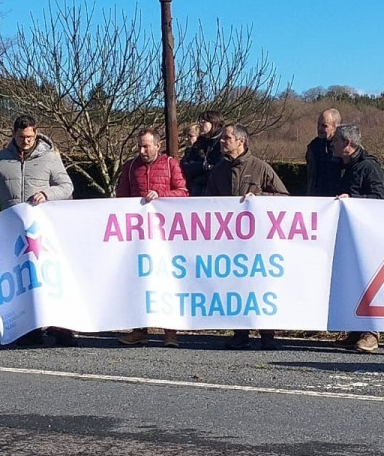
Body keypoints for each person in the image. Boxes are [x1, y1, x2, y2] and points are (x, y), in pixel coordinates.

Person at [0, 115, 76, 347]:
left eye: (29, 136)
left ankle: (61, 328)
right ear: (13, 134)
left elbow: (66, 187)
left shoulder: (50, 158)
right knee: (22, 280)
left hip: (44, 232)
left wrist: (47, 195)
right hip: (12, 232)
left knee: (48, 278)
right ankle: (28, 329)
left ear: (36, 132)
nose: (25, 141)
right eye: (20, 137)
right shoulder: (0, 161)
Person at [205, 124, 289, 350]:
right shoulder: (218, 171)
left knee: (260, 286)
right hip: (229, 241)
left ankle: (268, 334)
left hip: (258, 242)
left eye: (226, 138)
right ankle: (240, 332)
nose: (222, 141)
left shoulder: (260, 167)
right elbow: (206, 203)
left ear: (241, 141)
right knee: (236, 286)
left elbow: (284, 197)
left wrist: (260, 197)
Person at [114, 128, 189, 347]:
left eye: (146, 146)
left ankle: (170, 333)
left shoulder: (170, 165)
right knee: (138, 280)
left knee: (166, 280)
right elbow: (121, 199)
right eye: (139, 146)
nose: (142, 150)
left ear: (158, 145)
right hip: (138, 235)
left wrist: (161, 195)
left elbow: (183, 192)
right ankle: (138, 330)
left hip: (166, 236)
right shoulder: (130, 168)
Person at [329, 124, 384, 352]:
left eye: (334, 141)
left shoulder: (369, 167)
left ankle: (371, 332)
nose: (330, 145)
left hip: (365, 235)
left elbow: (379, 197)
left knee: (366, 280)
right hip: (342, 232)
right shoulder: (337, 166)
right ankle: (354, 329)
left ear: (347, 144)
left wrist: (352, 199)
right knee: (349, 280)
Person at [181, 110, 225, 196]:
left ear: (213, 122)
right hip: (196, 190)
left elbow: (219, 167)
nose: (200, 124)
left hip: (216, 191)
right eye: (199, 121)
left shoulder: (222, 143)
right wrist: (204, 166)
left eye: (203, 122)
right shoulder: (199, 143)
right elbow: (185, 166)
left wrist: (200, 168)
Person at [306, 109, 343, 197]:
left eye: (324, 126)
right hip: (315, 199)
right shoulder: (313, 146)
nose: (319, 128)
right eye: (318, 125)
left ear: (336, 126)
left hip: (336, 199)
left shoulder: (343, 148)